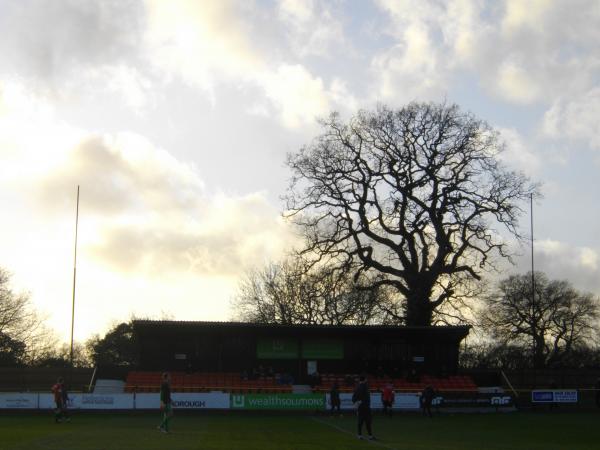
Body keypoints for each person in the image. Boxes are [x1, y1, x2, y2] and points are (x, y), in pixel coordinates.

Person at [352, 375, 375, 440]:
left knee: (361, 421)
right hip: (365, 406)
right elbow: (357, 396)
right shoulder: (364, 386)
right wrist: (359, 402)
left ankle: (360, 435)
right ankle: (369, 435)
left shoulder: (358, 387)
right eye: (366, 379)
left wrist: (356, 402)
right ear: (364, 380)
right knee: (367, 421)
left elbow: (354, 397)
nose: (366, 380)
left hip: (362, 406)